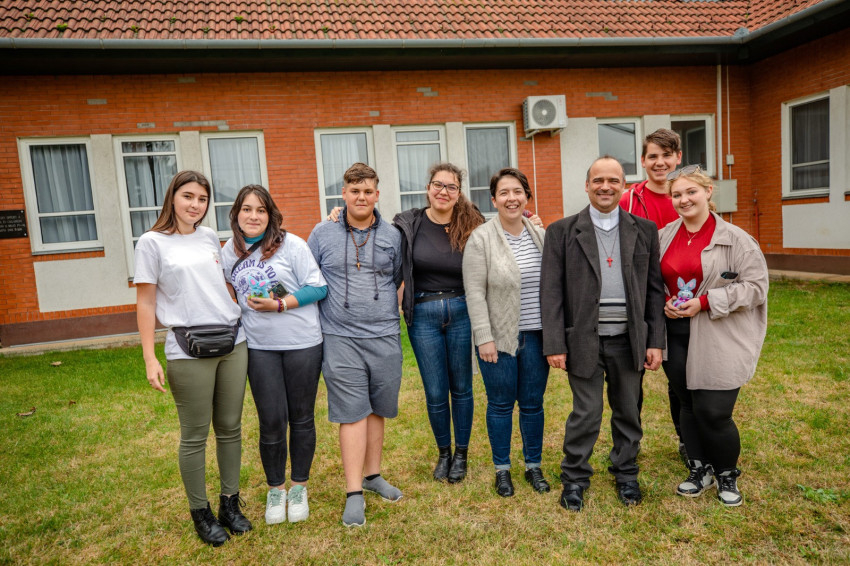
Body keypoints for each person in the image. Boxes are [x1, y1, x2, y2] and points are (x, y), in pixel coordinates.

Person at [541, 156, 665, 511]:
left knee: (628, 410)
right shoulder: (562, 231)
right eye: (598, 180)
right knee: (587, 412)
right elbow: (551, 292)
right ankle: (575, 477)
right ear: (587, 185)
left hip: (629, 339)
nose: (605, 187)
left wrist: (655, 341)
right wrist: (555, 343)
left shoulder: (644, 230)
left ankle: (626, 473)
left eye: (613, 180)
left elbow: (654, 290)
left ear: (624, 186)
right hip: (583, 339)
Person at [134, 171, 251, 547]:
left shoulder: (209, 237)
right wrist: (149, 357)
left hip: (233, 341)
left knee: (230, 428)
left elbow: (222, 283)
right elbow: (146, 301)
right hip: (187, 347)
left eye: (202, 199)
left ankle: (229, 504)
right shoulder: (151, 242)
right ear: (172, 197)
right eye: (188, 196)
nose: (195, 205)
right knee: (195, 435)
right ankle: (200, 513)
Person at [659, 165, 768, 507]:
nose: (683, 199)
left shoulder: (736, 239)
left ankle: (726, 474)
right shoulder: (663, 236)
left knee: (714, 411)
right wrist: (664, 301)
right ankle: (699, 469)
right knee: (688, 406)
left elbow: (756, 288)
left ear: (708, 192)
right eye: (677, 194)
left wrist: (705, 302)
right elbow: (652, 280)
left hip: (719, 333)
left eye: (691, 192)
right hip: (675, 333)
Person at [221, 185, 328, 525]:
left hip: (302, 342)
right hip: (258, 346)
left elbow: (319, 287)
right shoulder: (228, 252)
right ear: (236, 214)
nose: (253, 216)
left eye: (261, 210)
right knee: (270, 421)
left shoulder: (291, 245)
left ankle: (298, 487)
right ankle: (276, 489)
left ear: (271, 215)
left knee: (301, 417)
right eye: (247, 209)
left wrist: (279, 304)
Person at [307, 162, 404, 528]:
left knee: (378, 408)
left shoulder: (393, 235)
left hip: (384, 336)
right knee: (352, 412)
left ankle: (373, 475)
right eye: (354, 191)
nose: (361, 197)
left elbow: (397, 278)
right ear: (343, 194)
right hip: (340, 337)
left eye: (367, 191)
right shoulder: (322, 233)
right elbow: (309, 277)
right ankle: (353, 493)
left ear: (377, 194)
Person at [393, 163, 484, 484]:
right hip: (423, 315)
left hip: (462, 312)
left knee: (462, 388)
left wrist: (529, 219)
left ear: (459, 193)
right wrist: (338, 215)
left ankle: (462, 454)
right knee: (434, 391)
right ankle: (444, 453)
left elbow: (503, 234)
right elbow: (372, 230)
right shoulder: (409, 223)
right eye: (438, 185)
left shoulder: (472, 223)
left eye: (451, 187)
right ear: (428, 188)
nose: (443, 191)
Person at [463, 167, 550, 497]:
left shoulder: (540, 235)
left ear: (527, 196)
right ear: (494, 200)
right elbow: (474, 292)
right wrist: (484, 336)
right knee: (500, 404)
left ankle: (533, 466)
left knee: (532, 404)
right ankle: (502, 469)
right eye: (504, 193)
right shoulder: (481, 239)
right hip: (498, 338)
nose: (511, 198)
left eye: (517, 192)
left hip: (536, 336)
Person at [619, 128, 687, 465]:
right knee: (632, 381)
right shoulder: (629, 201)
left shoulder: (687, 197)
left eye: (666, 155)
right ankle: (628, 447)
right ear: (643, 161)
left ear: (678, 158)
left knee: (682, 380)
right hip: (639, 304)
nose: (660, 163)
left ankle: (688, 441)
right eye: (653, 156)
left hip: (680, 304)